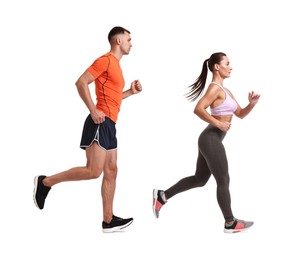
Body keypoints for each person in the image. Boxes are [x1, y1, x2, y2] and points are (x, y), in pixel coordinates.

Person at [33, 26, 142, 233]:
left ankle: (108, 221)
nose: (131, 43)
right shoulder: (106, 60)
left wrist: (130, 92)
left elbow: (112, 98)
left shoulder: (117, 66)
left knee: (112, 170)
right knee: (94, 171)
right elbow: (81, 82)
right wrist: (93, 110)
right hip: (99, 121)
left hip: (110, 124)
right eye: (129, 39)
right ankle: (45, 182)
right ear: (118, 41)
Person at [152, 52, 260, 233]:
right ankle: (230, 222)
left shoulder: (226, 90)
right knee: (223, 179)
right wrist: (218, 123)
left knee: (200, 179)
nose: (231, 66)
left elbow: (239, 114)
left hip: (210, 139)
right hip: (211, 138)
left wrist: (252, 104)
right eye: (227, 63)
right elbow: (198, 109)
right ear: (217, 67)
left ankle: (162, 196)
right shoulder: (214, 88)